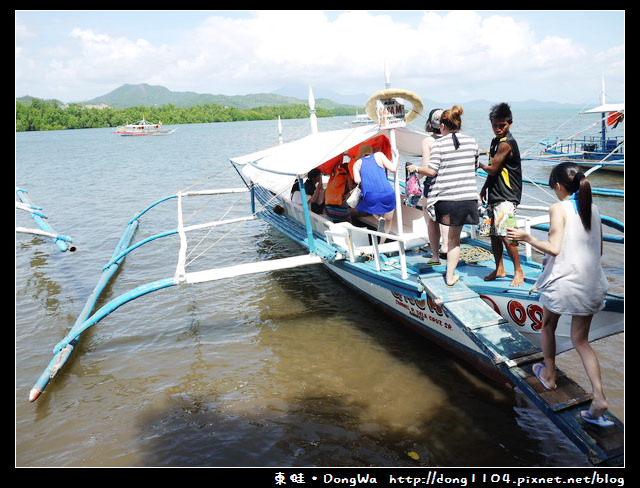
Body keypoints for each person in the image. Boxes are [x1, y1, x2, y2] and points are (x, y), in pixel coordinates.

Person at [507, 163, 613, 427]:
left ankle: (550, 376)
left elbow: (554, 248)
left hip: (565, 284)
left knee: (547, 326)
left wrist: (526, 237)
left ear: (556, 184)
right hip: (592, 284)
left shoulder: (558, 208)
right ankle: (599, 397)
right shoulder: (595, 209)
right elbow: (597, 250)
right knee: (581, 341)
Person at [418, 105, 479, 286]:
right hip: (468, 199)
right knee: (454, 240)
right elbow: (474, 167)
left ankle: (438, 259)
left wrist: (415, 169)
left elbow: (431, 170)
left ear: (442, 126)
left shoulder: (438, 144)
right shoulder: (472, 142)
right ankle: (450, 276)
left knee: (434, 223)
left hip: (444, 199)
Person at [478, 103, 524, 286]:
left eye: (502, 125)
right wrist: (484, 188)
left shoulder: (506, 144)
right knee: (494, 234)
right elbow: (494, 172)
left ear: (510, 124)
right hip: (495, 194)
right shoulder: (495, 142)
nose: (498, 129)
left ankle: (518, 270)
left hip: (508, 196)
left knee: (507, 234)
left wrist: (478, 164)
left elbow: (492, 168)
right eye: (495, 125)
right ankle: (499, 268)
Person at [406, 108, 449, 263]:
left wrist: (414, 177)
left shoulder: (428, 141)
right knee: (445, 216)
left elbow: (426, 166)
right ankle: (446, 246)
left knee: (430, 216)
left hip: (433, 185)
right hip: (450, 183)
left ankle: (435, 249)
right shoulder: (451, 139)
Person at [352, 144, 397, 239]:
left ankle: (379, 218)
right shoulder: (379, 155)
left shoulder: (357, 163)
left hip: (371, 195)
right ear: (371, 151)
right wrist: (397, 157)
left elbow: (357, 180)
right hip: (387, 193)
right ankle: (381, 243)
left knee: (369, 207)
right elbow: (393, 169)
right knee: (388, 221)